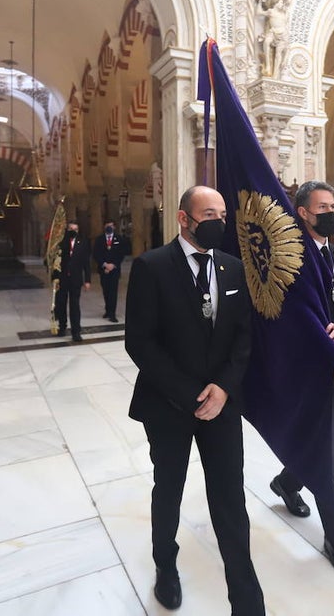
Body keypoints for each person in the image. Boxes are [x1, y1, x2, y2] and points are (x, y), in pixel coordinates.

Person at [124, 186, 265, 614]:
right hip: (169, 405)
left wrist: (223, 387)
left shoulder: (233, 269)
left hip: (222, 405)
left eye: (223, 213)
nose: (219, 221)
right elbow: (141, 344)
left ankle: (246, 598)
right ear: (184, 219)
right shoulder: (152, 267)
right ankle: (165, 564)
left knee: (229, 498)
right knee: (169, 488)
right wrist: (189, 395)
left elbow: (243, 338)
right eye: (209, 213)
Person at [267, 181, 334, 577]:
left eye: (332, 205)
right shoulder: (289, 259)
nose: (329, 211)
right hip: (308, 367)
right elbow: (293, 317)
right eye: (321, 206)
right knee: (326, 450)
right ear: (303, 212)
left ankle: (286, 481)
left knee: (328, 438)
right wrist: (330, 351)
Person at [53, 221, 91, 342]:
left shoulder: (83, 242)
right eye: (70, 228)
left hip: (76, 279)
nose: (73, 231)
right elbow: (54, 261)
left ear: (78, 230)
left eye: (75, 229)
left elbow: (86, 263)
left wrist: (87, 280)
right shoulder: (60, 242)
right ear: (67, 229)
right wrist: (55, 277)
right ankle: (62, 327)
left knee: (75, 305)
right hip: (62, 279)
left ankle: (76, 331)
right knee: (61, 304)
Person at [93, 220, 127, 322]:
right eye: (107, 225)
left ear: (114, 227)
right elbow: (96, 254)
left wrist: (113, 265)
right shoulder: (99, 239)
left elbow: (121, 253)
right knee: (105, 291)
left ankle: (112, 313)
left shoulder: (119, 239)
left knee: (113, 291)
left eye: (111, 226)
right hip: (103, 269)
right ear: (104, 227)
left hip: (114, 269)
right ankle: (107, 310)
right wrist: (104, 264)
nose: (109, 227)